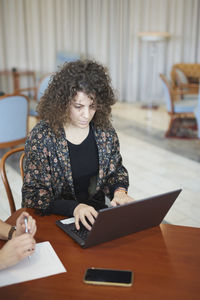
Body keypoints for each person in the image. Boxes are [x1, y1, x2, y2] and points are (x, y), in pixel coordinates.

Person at [22, 59, 134, 231]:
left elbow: (115, 171)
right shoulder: (42, 136)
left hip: (94, 217)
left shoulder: (103, 131)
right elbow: (34, 195)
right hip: (54, 219)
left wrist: (119, 191)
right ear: (63, 102)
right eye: (78, 106)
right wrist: (74, 207)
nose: (86, 115)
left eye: (93, 106)